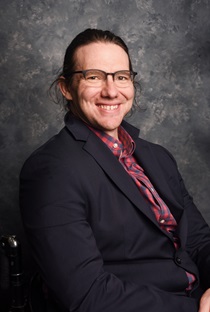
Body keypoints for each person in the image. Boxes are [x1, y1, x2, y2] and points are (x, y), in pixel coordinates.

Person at [19, 28, 210, 312]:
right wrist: (195, 309)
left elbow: (197, 241)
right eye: (94, 77)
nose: (111, 91)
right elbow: (87, 294)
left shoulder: (157, 157)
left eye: (121, 77)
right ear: (66, 88)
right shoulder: (50, 170)